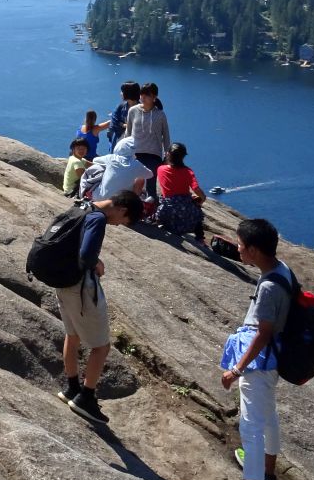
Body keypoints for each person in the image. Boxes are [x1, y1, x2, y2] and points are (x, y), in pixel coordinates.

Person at [207, 218, 293, 480]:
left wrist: (237, 369)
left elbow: (263, 333)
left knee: (251, 430)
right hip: (272, 363)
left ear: (254, 250)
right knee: (268, 418)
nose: (238, 249)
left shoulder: (269, 286)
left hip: (258, 365)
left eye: (242, 246)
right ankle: (267, 473)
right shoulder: (281, 269)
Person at [50, 191, 144, 424]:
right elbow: (87, 254)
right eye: (124, 221)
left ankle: (72, 388)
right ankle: (86, 398)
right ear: (122, 209)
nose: (120, 225)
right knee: (101, 347)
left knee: (72, 336)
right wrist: (98, 263)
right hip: (81, 288)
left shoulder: (81, 207)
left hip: (61, 281)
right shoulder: (98, 219)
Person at [153, 142, 207, 241]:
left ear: (168, 154)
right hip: (185, 210)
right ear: (183, 157)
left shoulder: (160, 169)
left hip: (167, 210)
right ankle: (200, 238)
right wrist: (203, 198)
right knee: (197, 210)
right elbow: (196, 189)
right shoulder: (188, 171)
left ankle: (161, 223)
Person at [126, 82, 170, 201]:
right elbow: (128, 133)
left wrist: (167, 155)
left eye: (147, 95)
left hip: (153, 153)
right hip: (136, 152)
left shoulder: (160, 115)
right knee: (133, 182)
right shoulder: (133, 111)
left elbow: (165, 135)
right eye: (142, 94)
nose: (143, 98)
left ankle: (151, 206)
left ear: (154, 97)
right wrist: (126, 151)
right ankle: (132, 205)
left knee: (151, 181)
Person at [85, 136, 152, 202]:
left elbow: (95, 160)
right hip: (120, 201)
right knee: (140, 179)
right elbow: (150, 174)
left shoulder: (111, 158)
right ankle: (135, 201)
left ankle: (88, 192)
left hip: (100, 197)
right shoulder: (136, 164)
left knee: (100, 168)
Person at [107, 81, 140, 149]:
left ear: (128, 93)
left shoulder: (142, 108)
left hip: (136, 144)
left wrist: (123, 124)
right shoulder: (121, 107)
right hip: (119, 142)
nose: (120, 94)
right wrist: (125, 125)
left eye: (122, 91)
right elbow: (114, 122)